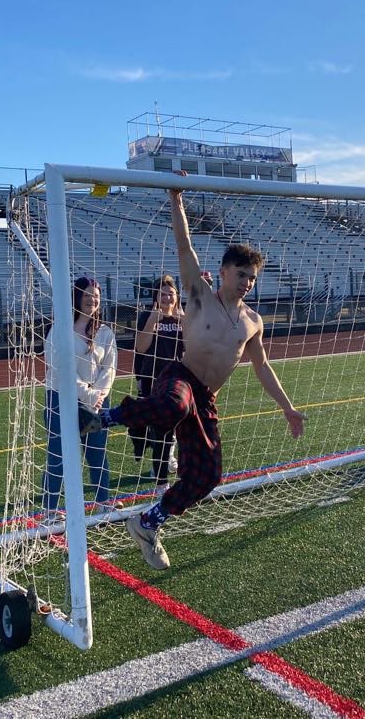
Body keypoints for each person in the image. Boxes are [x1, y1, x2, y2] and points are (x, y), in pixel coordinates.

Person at [85, 184, 306, 570]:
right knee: (175, 403)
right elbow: (184, 246)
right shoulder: (200, 296)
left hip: (205, 398)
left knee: (208, 476)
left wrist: (287, 408)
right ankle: (104, 418)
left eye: (252, 278)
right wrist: (176, 199)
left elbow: (262, 366)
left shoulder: (253, 322)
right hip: (180, 377)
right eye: (241, 274)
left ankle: (148, 522)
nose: (247, 282)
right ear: (223, 273)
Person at [42, 276, 117, 519]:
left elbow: (110, 368)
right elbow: (60, 368)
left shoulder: (105, 333)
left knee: (97, 453)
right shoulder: (60, 330)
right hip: (61, 400)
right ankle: (50, 510)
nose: (91, 300)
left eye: (96, 296)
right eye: (86, 295)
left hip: (97, 402)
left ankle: (103, 502)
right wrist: (88, 393)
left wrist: (99, 395)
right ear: (76, 297)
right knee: (58, 455)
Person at [131, 274, 184, 488]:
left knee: (179, 425)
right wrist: (154, 320)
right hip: (153, 380)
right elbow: (140, 348)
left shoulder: (183, 317)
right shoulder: (147, 316)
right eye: (162, 294)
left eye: (171, 293)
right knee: (159, 429)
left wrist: (183, 320)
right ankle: (160, 473)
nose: (167, 298)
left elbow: (192, 347)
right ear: (155, 297)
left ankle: (172, 460)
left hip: (178, 381)